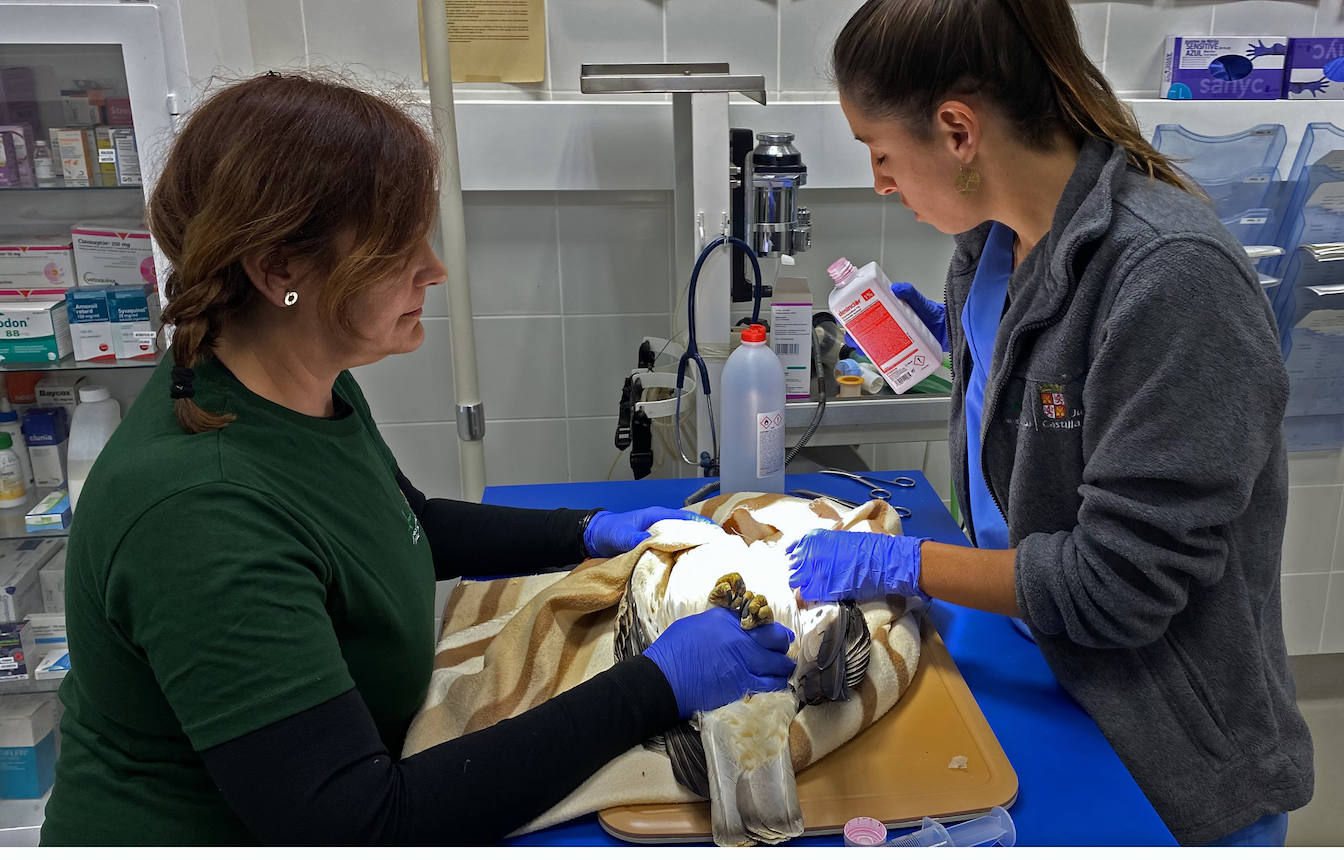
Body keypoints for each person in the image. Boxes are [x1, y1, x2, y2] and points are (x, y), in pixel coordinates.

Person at [40, 73, 795, 846]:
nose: (433, 270)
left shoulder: (299, 388)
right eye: (397, 249)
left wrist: (590, 530)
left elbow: (409, 525)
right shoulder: (200, 512)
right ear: (280, 273)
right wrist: (657, 685)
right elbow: (364, 820)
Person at [786, 0, 1313, 847]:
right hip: (1039, 667)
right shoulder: (994, 248)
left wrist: (904, 561)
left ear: (958, 130)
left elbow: (1117, 587)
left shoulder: (1173, 278)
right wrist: (968, 350)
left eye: (879, 153)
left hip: (1162, 753)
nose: (881, 181)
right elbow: (1052, 426)